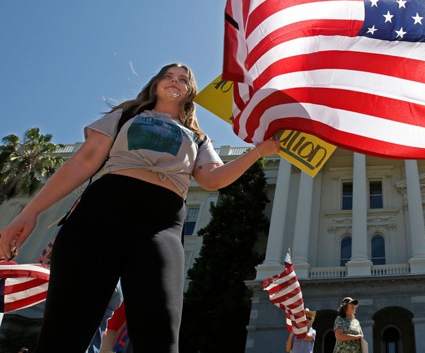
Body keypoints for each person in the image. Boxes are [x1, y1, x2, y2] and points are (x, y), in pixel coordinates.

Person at [0, 63, 281, 353]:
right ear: (156, 83)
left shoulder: (198, 137)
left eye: (183, 79)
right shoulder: (128, 115)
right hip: (100, 215)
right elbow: (84, 161)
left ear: (190, 92)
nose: (175, 81)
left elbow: (212, 180)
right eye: (168, 76)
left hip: (161, 225)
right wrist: (29, 212)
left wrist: (259, 152)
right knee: (65, 331)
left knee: (160, 331)